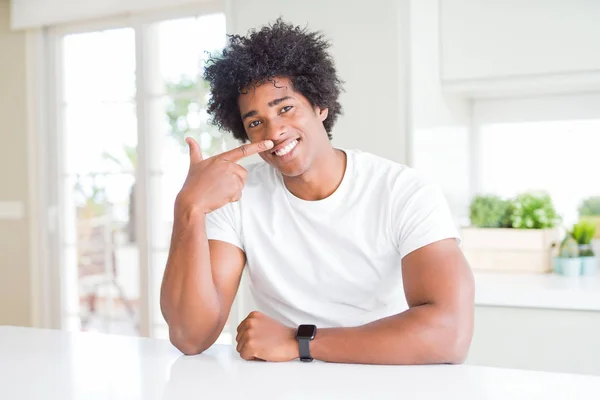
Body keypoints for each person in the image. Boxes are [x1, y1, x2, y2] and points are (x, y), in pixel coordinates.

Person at [160, 19, 474, 365]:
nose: (274, 130)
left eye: (285, 108)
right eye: (255, 122)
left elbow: (450, 334)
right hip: (284, 384)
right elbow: (191, 336)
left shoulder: (404, 191)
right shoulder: (238, 196)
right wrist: (189, 207)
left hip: (387, 378)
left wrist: (299, 343)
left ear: (320, 106)